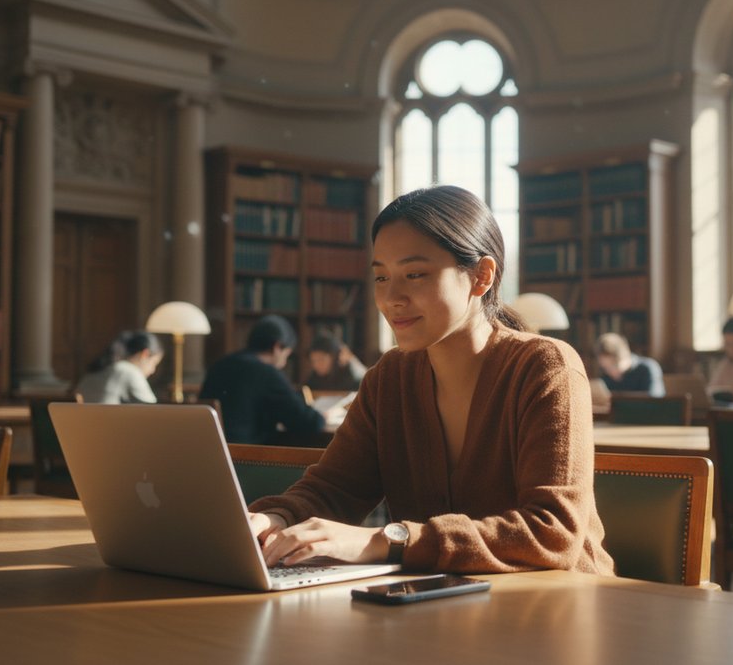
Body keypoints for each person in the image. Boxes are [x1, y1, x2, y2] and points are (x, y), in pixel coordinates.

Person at [246, 185, 614, 576]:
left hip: (559, 608)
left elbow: (552, 534)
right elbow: (335, 489)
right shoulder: (390, 378)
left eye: (415, 274)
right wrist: (276, 519)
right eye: (381, 278)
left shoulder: (545, 366)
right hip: (442, 607)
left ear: (481, 276)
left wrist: (383, 541)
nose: (392, 299)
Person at [200, 315, 326, 444]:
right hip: (247, 457)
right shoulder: (266, 373)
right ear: (277, 347)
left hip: (210, 451)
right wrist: (323, 417)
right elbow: (309, 422)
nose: (284, 362)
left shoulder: (219, 365)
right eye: (287, 354)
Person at [75, 330, 163, 404]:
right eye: (154, 363)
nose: (153, 370)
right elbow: (153, 409)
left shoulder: (102, 368)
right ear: (145, 354)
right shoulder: (128, 371)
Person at [594, 332, 664, 396]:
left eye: (614, 365)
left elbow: (655, 402)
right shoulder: (605, 376)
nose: (611, 371)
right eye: (605, 367)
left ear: (626, 356)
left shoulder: (648, 368)